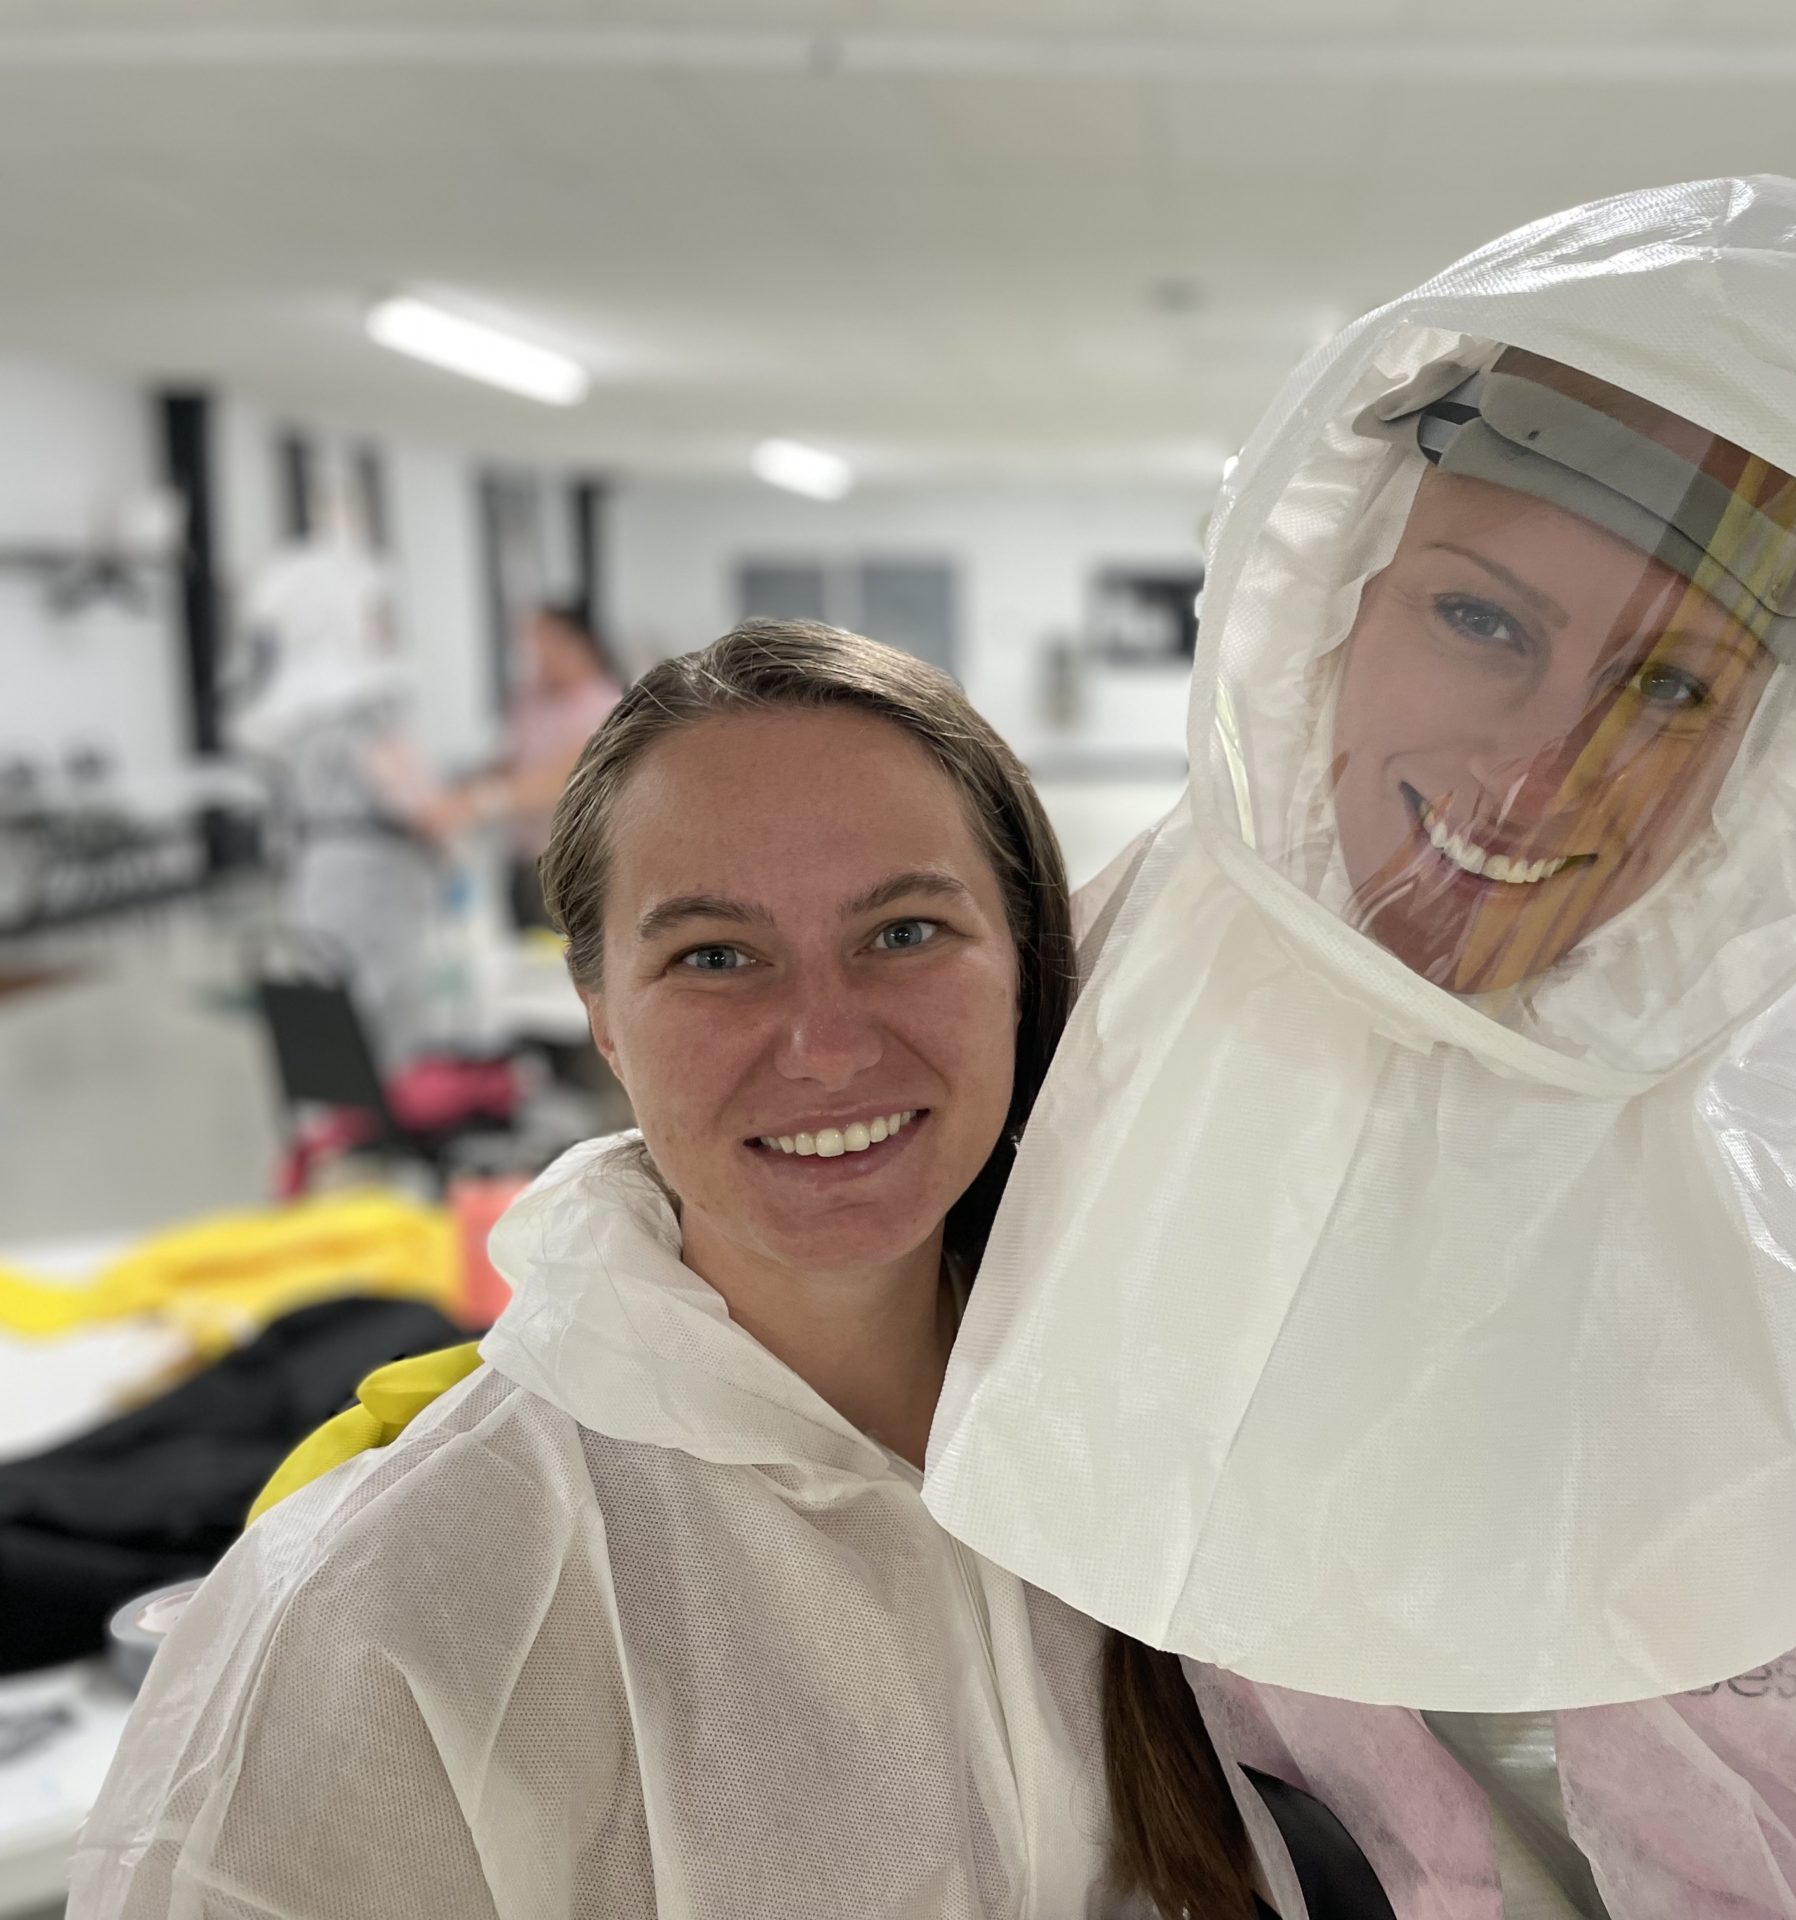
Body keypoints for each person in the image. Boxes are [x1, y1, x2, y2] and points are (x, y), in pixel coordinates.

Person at [925, 177, 1796, 1915]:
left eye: (1669, 688)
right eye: (1482, 622)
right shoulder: (1101, 1045)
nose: (1541, 769)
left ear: (1768, 742)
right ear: (1338, 590)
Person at [69, 622, 1216, 1919]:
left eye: (904, 931)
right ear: (602, 1017)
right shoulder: (379, 1615)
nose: (827, 1045)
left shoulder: (1159, 1435)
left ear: (1022, 966)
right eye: (715, 956)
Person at [229, 487, 446, 1061]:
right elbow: (423, 808)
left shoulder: (288, 715)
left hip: (314, 877)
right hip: (375, 884)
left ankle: (341, 1113)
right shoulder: (366, 707)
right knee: (386, 1027)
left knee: (333, 1018)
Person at [429, 600, 625, 929]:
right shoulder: (531, 698)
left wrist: (480, 802)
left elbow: (567, 779)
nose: (534, 655)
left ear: (577, 644)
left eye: (544, 643)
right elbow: (510, 764)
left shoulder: (605, 704)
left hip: (575, 868)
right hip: (524, 864)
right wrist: (456, 794)